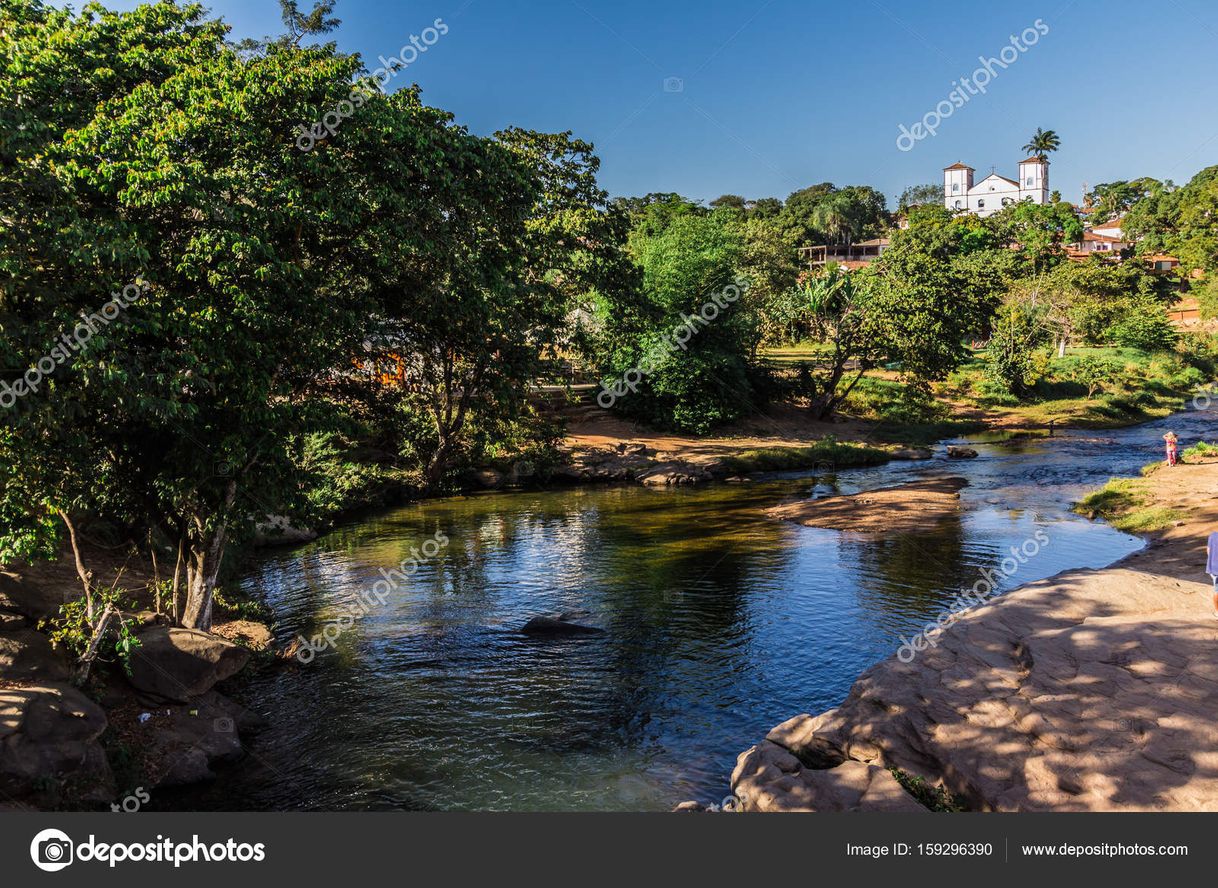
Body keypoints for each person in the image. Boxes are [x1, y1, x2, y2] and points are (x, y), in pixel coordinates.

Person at [1209, 532, 1218, 619]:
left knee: (1217, 591)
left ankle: (1217, 612)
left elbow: (1208, 550)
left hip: (1214, 569)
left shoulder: (1213, 536)